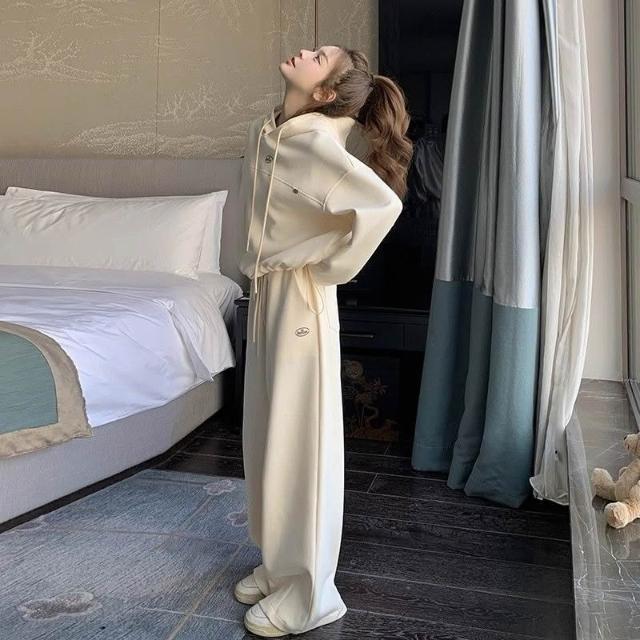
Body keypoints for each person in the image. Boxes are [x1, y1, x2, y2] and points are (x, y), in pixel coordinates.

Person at [235, 44, 413, 637]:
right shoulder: (276, 129)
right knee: (266, 434)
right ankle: (279, 565)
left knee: (300, 443)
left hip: (300, 298)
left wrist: (330, 268)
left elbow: (381, 206)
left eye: (319, 56)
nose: (304, 51)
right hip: (268, 293)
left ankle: (312, 595)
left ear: (325, 93)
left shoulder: (314, 141)